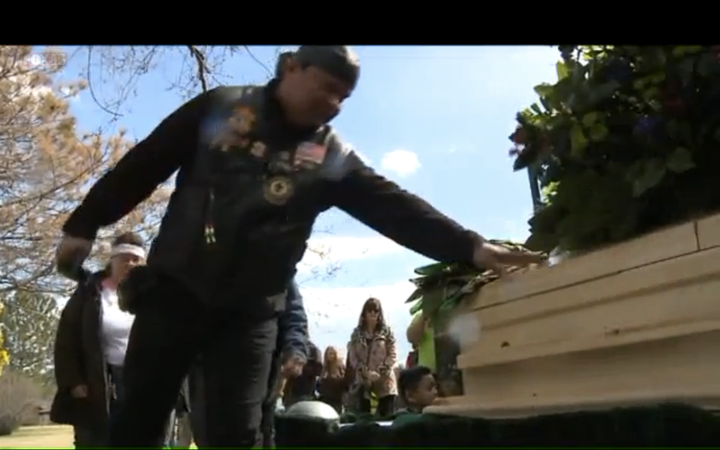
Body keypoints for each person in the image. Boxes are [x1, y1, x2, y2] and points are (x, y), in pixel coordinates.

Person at [54, 45, 543, 447]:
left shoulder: (330, 157)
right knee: (136, 424)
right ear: (291, 67)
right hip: (173, 292)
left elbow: (395, 208)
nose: (333, 103)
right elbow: (144, 163)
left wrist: (472, 248)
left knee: (236, 436)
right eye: (326, 87)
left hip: (248, 316)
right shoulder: (222, 109)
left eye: (344, 98)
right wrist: (84, 222)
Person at [50, 233, 145, 447]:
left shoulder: (150, 296)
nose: (129, 263)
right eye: (124, 258)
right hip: (98, 384)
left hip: (138, 383)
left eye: (135, 259)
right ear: (112, 260)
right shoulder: (89, 293)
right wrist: (74, 383)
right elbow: (65, 340)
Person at [189, 280, 309, 449]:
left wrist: (295, 350)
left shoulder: (271, 264)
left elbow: (293, 313)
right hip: (207, 364)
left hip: (259, 369)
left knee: (251, 433)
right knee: (207, 433)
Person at [347, 298, 398, 417]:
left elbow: (393, 353)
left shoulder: (387, 332)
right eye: (370, 311)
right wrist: (365, 372)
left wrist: (382, 369)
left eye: (376, 311)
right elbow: (353, 357)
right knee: (363, 418)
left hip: (384, 380)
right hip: (363, 381)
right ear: (364, 313)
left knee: (387, 417)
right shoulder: (356, 333)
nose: (373, 314)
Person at [282, 339, 323, 408]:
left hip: (303, 390)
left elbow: (318, 371)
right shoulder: (314, 350)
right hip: (294, 390)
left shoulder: (313, 350)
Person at [317, 346, 348, 414]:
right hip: (325, 400)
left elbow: (345, 383)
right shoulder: (323, 368)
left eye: (333, 353)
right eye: (329, 354)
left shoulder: (340, 367)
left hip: (336, 399)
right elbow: (319, 384)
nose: (331, 356)